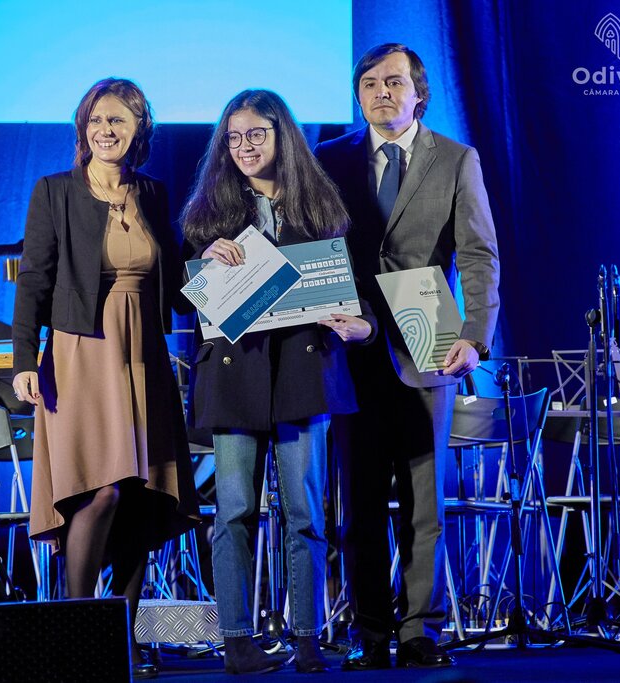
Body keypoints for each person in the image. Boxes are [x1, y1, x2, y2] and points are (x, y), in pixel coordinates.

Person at [314, 44, 501, 669]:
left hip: (430, 337)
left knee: (424, 501)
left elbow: (478, 254)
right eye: (369, 83)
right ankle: (369, 633)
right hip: (350, 345)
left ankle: (421, 630)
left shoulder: (457, 158)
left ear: (419, 92)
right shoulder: (329, 158)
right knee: (359, 501)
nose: (381, 93)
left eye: (393, 82)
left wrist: (475, 335)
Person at [182, 89, 376, 675]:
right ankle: (237, 641)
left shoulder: (320, 207)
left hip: (303, 374)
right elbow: (184, 300)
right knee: (234, 511)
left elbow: (353, 288)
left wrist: (363, 325)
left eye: (256, 134)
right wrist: (206, 263)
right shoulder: (207, 216)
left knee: (306, 515)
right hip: (235, 377)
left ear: (281, 136)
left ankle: (308, 638)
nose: (244, 146)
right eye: (234, 138)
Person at [11, 77, 200, 679]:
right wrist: (23, 360)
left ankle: (121, 639)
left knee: (140, 497)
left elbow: (177, 286)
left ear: (140, 128)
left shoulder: (152, 193)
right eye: (95, 120)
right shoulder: (55, 191)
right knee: (100, 491)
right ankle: (78, 630)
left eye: (117, 119)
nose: (105, 130)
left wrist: (216, 262)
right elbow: (34, 281)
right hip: (81, 354)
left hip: (143, 355)